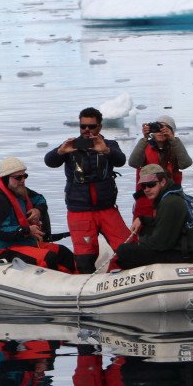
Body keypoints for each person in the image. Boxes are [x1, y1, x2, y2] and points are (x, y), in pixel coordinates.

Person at [44, 107, 129, 274]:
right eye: (83, 126)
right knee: (84, 259)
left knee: (128, 250)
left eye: (92, 126)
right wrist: (60, 151)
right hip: (80, 212)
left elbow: (121, 160)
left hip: (107, 209)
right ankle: (86, 289)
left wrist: (106, 151)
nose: (87, 131)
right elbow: (50, 161)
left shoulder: (109, 145)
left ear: (100, 127)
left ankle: (117, 277)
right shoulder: (70, 146)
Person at [115, 164, 193, 269]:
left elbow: (160, 243)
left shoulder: (169, 203)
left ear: (162, 182)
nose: (147, 189)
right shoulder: (188, 199)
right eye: (143, 186)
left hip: (187, 255)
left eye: (151, 184)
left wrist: (140, 240)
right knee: (146, 230)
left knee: (124, 252)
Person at [0, 156, 75, 272]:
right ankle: (54, 286)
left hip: (26, 243)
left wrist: (38, 210)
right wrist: (27, 230)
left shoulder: (20, 190)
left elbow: (40, 199)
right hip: (5, 249)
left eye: (24, 176)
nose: (23, 180)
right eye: (18, 177)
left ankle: (79, 281)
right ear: (5, 179)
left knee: (63, 252)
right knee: (49, 258)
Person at [128, 114, 193, 232]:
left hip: (169, 199)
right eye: (157, 128)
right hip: (146, 198)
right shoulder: (145, 147)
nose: (160, 131)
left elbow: (186, 163)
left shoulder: (175, 148)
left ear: (171, 131)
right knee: (141, 234)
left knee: (169, 232)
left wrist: (173, 140)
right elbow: (133, 163)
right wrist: (144, 138)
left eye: (165, 128)